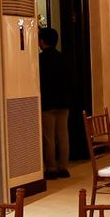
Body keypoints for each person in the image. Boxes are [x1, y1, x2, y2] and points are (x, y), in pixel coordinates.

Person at [38, 26, 72, 179]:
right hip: (63, 102)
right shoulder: (63, 57)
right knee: (63, 136)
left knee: (49, 138)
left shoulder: (40, 59)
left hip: (48, 103)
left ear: (42, 41)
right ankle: (63, 167)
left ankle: (51, 169)